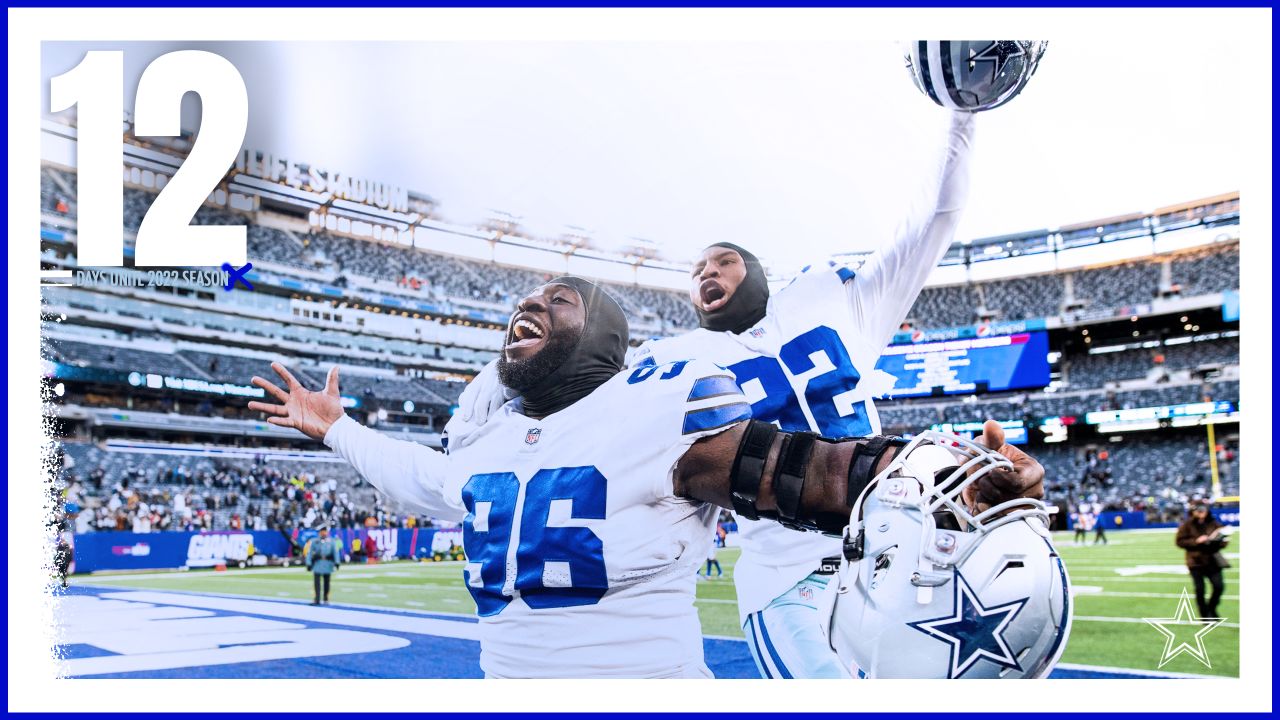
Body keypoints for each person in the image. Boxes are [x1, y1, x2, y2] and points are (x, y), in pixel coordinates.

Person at [249, 276, 1043, 679]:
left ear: (600, 340)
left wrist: (961, 477)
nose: (530, 305)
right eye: (529, 299)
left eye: (557, 302)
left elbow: (808, 472)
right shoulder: (489, 445)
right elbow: (421, 479)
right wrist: (338, 427)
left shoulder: (657, 412)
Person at [449, 112, 977, 679]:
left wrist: (963, 120)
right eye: (697, 267)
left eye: (723, 260)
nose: (707, 270)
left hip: (895, 550)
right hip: (787, 574)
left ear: (757, 273)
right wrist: (491, 393)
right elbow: (569, 382)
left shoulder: (834, 304)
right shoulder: (670, 362)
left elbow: (931, 224)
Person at [1175, 500, 1229, 620]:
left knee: (1219, 586)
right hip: (1196, 562)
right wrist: (1196, 541)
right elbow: (1179, 542)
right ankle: (1204, 615)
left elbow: (1224, 541)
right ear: (1193, 511)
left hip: (1212, 560)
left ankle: (1212, 608)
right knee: (1200, 589)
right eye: (1198, 509)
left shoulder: (1214, 523)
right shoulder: (1187, 525)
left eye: (1203, 509)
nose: (1201, 512)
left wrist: (1218, 540)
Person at [306, 525, 341, 606]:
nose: (323, 533)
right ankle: (317, 599)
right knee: (316, 583)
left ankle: (326, 598)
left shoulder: (332, 541)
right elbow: (310, 553)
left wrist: (337, 562)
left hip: (327, 564)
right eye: (322, 531)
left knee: (327, 583)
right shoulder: (314, 541)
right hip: (318, 564)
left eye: (325, 531)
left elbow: (335, 552)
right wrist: (308, 563)